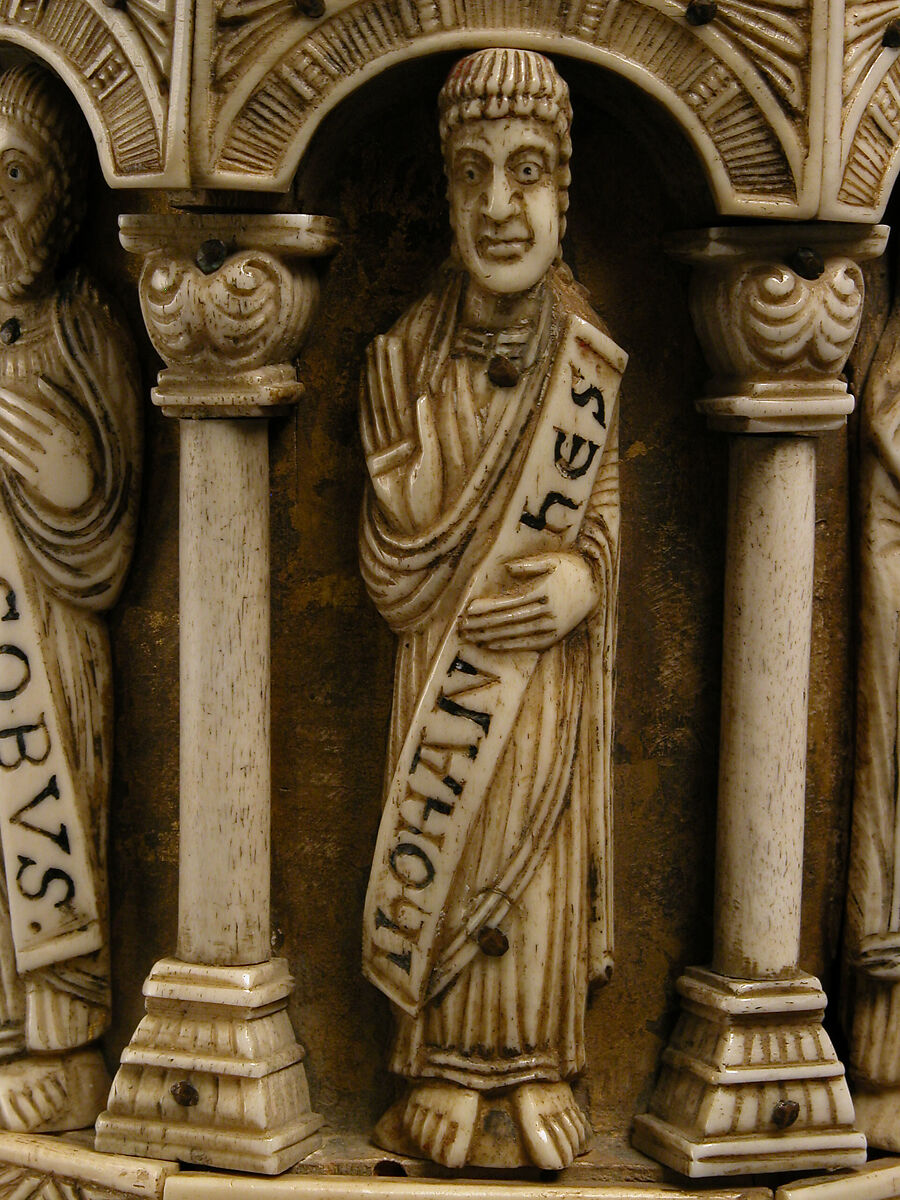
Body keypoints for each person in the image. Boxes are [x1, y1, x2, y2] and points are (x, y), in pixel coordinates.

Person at [359, 48, 626, 1170]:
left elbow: (603, 510)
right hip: (447, 680)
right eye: (473, 174)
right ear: (450, 193)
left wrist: (580, 579)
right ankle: (446, 1068)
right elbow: (385, 566)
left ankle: (534, 1068)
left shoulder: (589, 362)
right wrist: (406, 517)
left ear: (566, 195)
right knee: (450, 855)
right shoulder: (402, 354)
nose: (500, 205)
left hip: (547, 684)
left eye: (527, 174)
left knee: (538, 848)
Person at [0, 61, 140, 1131]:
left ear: (64, 200)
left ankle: (61, 1042)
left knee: (47, 824)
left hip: (42, 641)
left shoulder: (81, 322)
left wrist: (66, 481)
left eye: (18, 177)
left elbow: (111, 539)